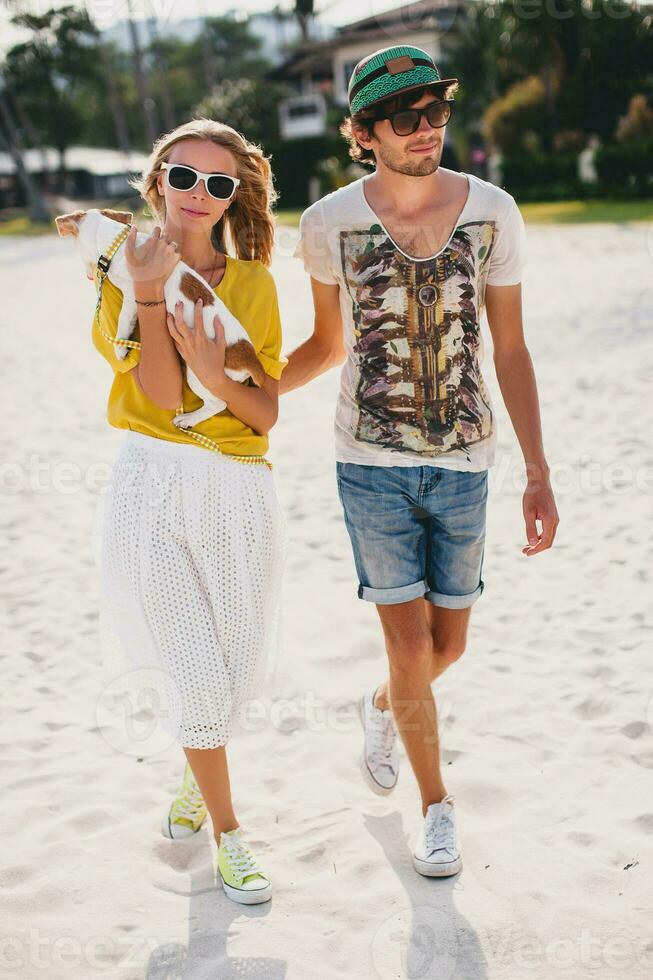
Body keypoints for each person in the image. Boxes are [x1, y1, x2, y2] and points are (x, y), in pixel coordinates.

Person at [283, 46, 559, 877]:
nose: (428, 129)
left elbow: (510, 348)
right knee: (409, 649)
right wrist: (247, 390)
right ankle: (436, 805)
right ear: (364, 133)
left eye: (436, 111)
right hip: (367, 463)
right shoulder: (327, 223)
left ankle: (379, 706)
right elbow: (329, 346)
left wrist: (538, 472)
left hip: (468, 461)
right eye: (406, 119)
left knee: (448, 647)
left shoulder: (493, 210)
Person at [92, 118, 288, 905]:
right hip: (153, 488)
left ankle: (192, 778)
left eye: (218, 183)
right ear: (155, 183)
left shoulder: (254, 286)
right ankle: (230, 834)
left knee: (234, 678)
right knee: (198, 682)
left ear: (234, 195)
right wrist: (146, 290)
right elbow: (165, 401)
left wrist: (216, 364)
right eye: (183, 178)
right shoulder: (116, 276)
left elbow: (265, 414)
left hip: (239, 491)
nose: (198, 196)